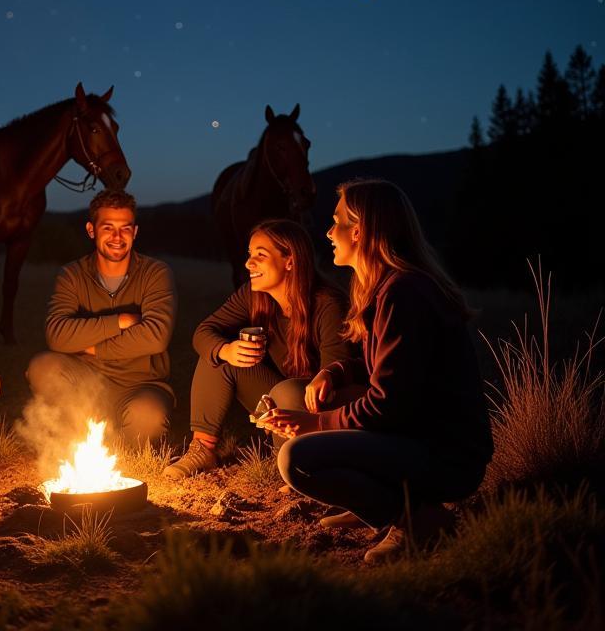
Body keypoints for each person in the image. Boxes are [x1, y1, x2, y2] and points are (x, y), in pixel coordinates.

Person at [260, 179, 493, 562]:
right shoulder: (388, 287)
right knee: (327, 413)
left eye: (336, 222)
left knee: (296, 458)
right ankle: (376, 501)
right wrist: (335, 372)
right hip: (425, 440)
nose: (328, 231)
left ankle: (414, 520)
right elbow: (387, 366)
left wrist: (315, 424)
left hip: (447, 457)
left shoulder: (404, 293)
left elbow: (387, 404)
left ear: (361, 230)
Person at [163, 218, 354, 479]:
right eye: (249, 254)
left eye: (260, 256)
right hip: (278, 396)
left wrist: (299, 410)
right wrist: (227, 350)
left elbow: (336, 376)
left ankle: (298, 463)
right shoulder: (252, 296)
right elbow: (203, 332)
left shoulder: (327, 304)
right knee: (217, 355)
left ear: (290, 261)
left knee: (286, 391)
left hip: (320, 408)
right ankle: (203, 449)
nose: (248, 263)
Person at [26, 189, 176, 443]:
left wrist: (94, 347)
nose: (117, 237)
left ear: (135, 232)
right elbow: (57, 335)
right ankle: (83, 433)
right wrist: (121, 321)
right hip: (87, 380)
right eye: (108, 228)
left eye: (125, 228)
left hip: (141, 384)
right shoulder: (72, 275)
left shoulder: (155, 273)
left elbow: (156, 337)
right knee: (43, 367)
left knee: (147, 419)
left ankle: (117, 438)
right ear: (91, 230)